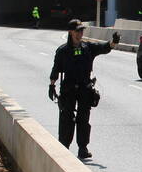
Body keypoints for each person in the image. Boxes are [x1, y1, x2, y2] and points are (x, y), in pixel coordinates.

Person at [48, 19, 120, 160]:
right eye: (77, 31)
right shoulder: (63, 51)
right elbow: (56, 69)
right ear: (70, 32)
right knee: (67, 119)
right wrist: (52, 86)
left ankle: (83, 148)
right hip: (68, 89)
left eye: (81, 31)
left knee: (83, 119)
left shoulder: (87, 48)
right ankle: (64, 147)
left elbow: (105, 47)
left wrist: (114, 42)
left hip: (84, 89)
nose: (80, 33)